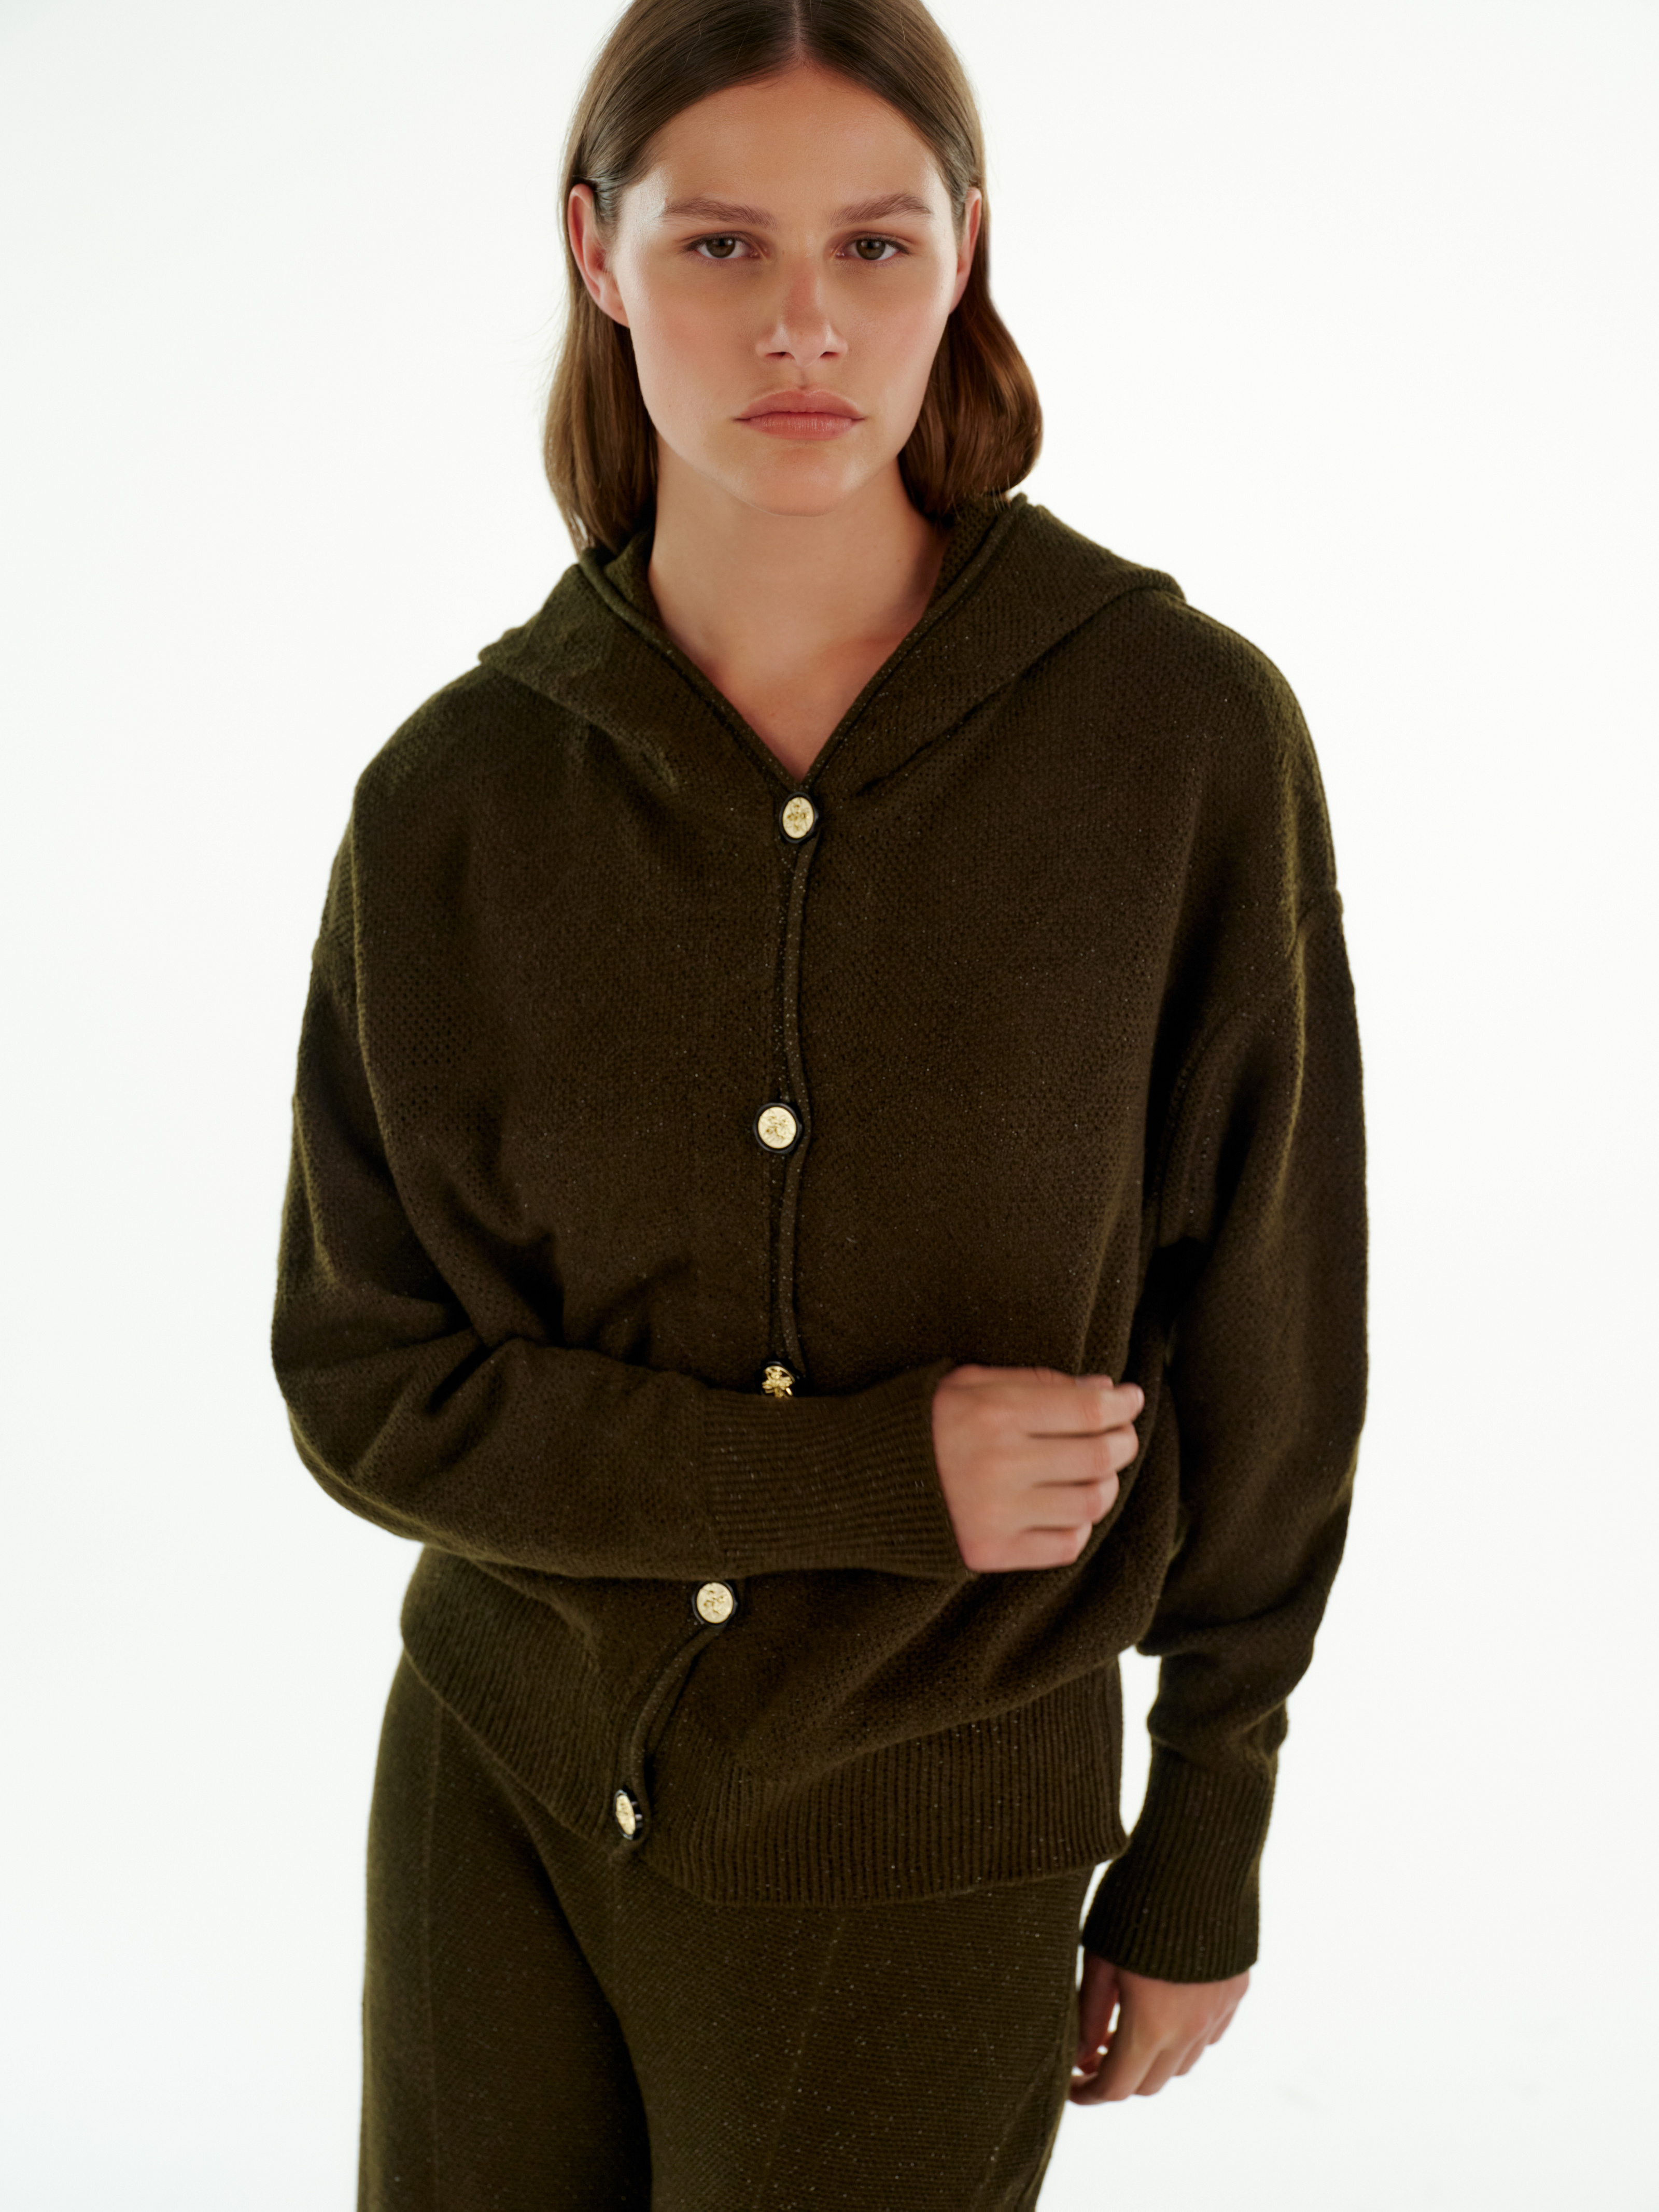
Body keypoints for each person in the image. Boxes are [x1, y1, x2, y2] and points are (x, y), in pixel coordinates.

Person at [270, 0, 1368, 2204]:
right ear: (593, 252)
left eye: (872, 246)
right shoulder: (452, 799)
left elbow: (1271, 1321)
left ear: (967, 252)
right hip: (495, 1790)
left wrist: (1205, 1831)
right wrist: (859, 1475)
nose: (802, 324)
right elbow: (367, 1384)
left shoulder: (1173, 737)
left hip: (922, 1833)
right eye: (719, 246)